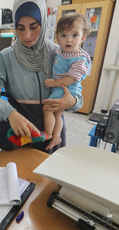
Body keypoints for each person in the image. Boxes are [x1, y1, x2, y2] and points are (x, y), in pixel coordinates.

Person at [0, 0, 83, 152]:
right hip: (23, 135)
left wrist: (71, 101)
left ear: (43, 22)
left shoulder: (59, 53)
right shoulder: (6, 56)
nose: (27, 35)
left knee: (48, 174)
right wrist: (9, 113)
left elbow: (78, 94)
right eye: (20, 28)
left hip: (54, 134)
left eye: (34, 27)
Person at [43, 12, 91, 149]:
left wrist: (54, 83)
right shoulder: (60, 51)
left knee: (47, 109)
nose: (68, 40)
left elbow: (72, 78)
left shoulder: (79, 57)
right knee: (57, 114)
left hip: (65, 89)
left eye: (74, 35)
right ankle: (56, 137)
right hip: (60, 88)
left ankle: (48, 133)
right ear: (57, 37)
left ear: (83, 37)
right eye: (64, 35)